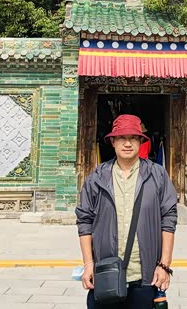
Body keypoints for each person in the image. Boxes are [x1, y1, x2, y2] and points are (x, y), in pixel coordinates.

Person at [76, 114, 178, 308]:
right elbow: (84, 221)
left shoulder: (157, 175)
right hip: (106, 273)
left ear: (141, 142)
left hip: (145, 275)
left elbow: (168, 218)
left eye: (133, 138)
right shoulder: (97, 178)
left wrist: (164, 265)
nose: (128, 143)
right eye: (122, 138)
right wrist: (88, 264)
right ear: (112, 142)